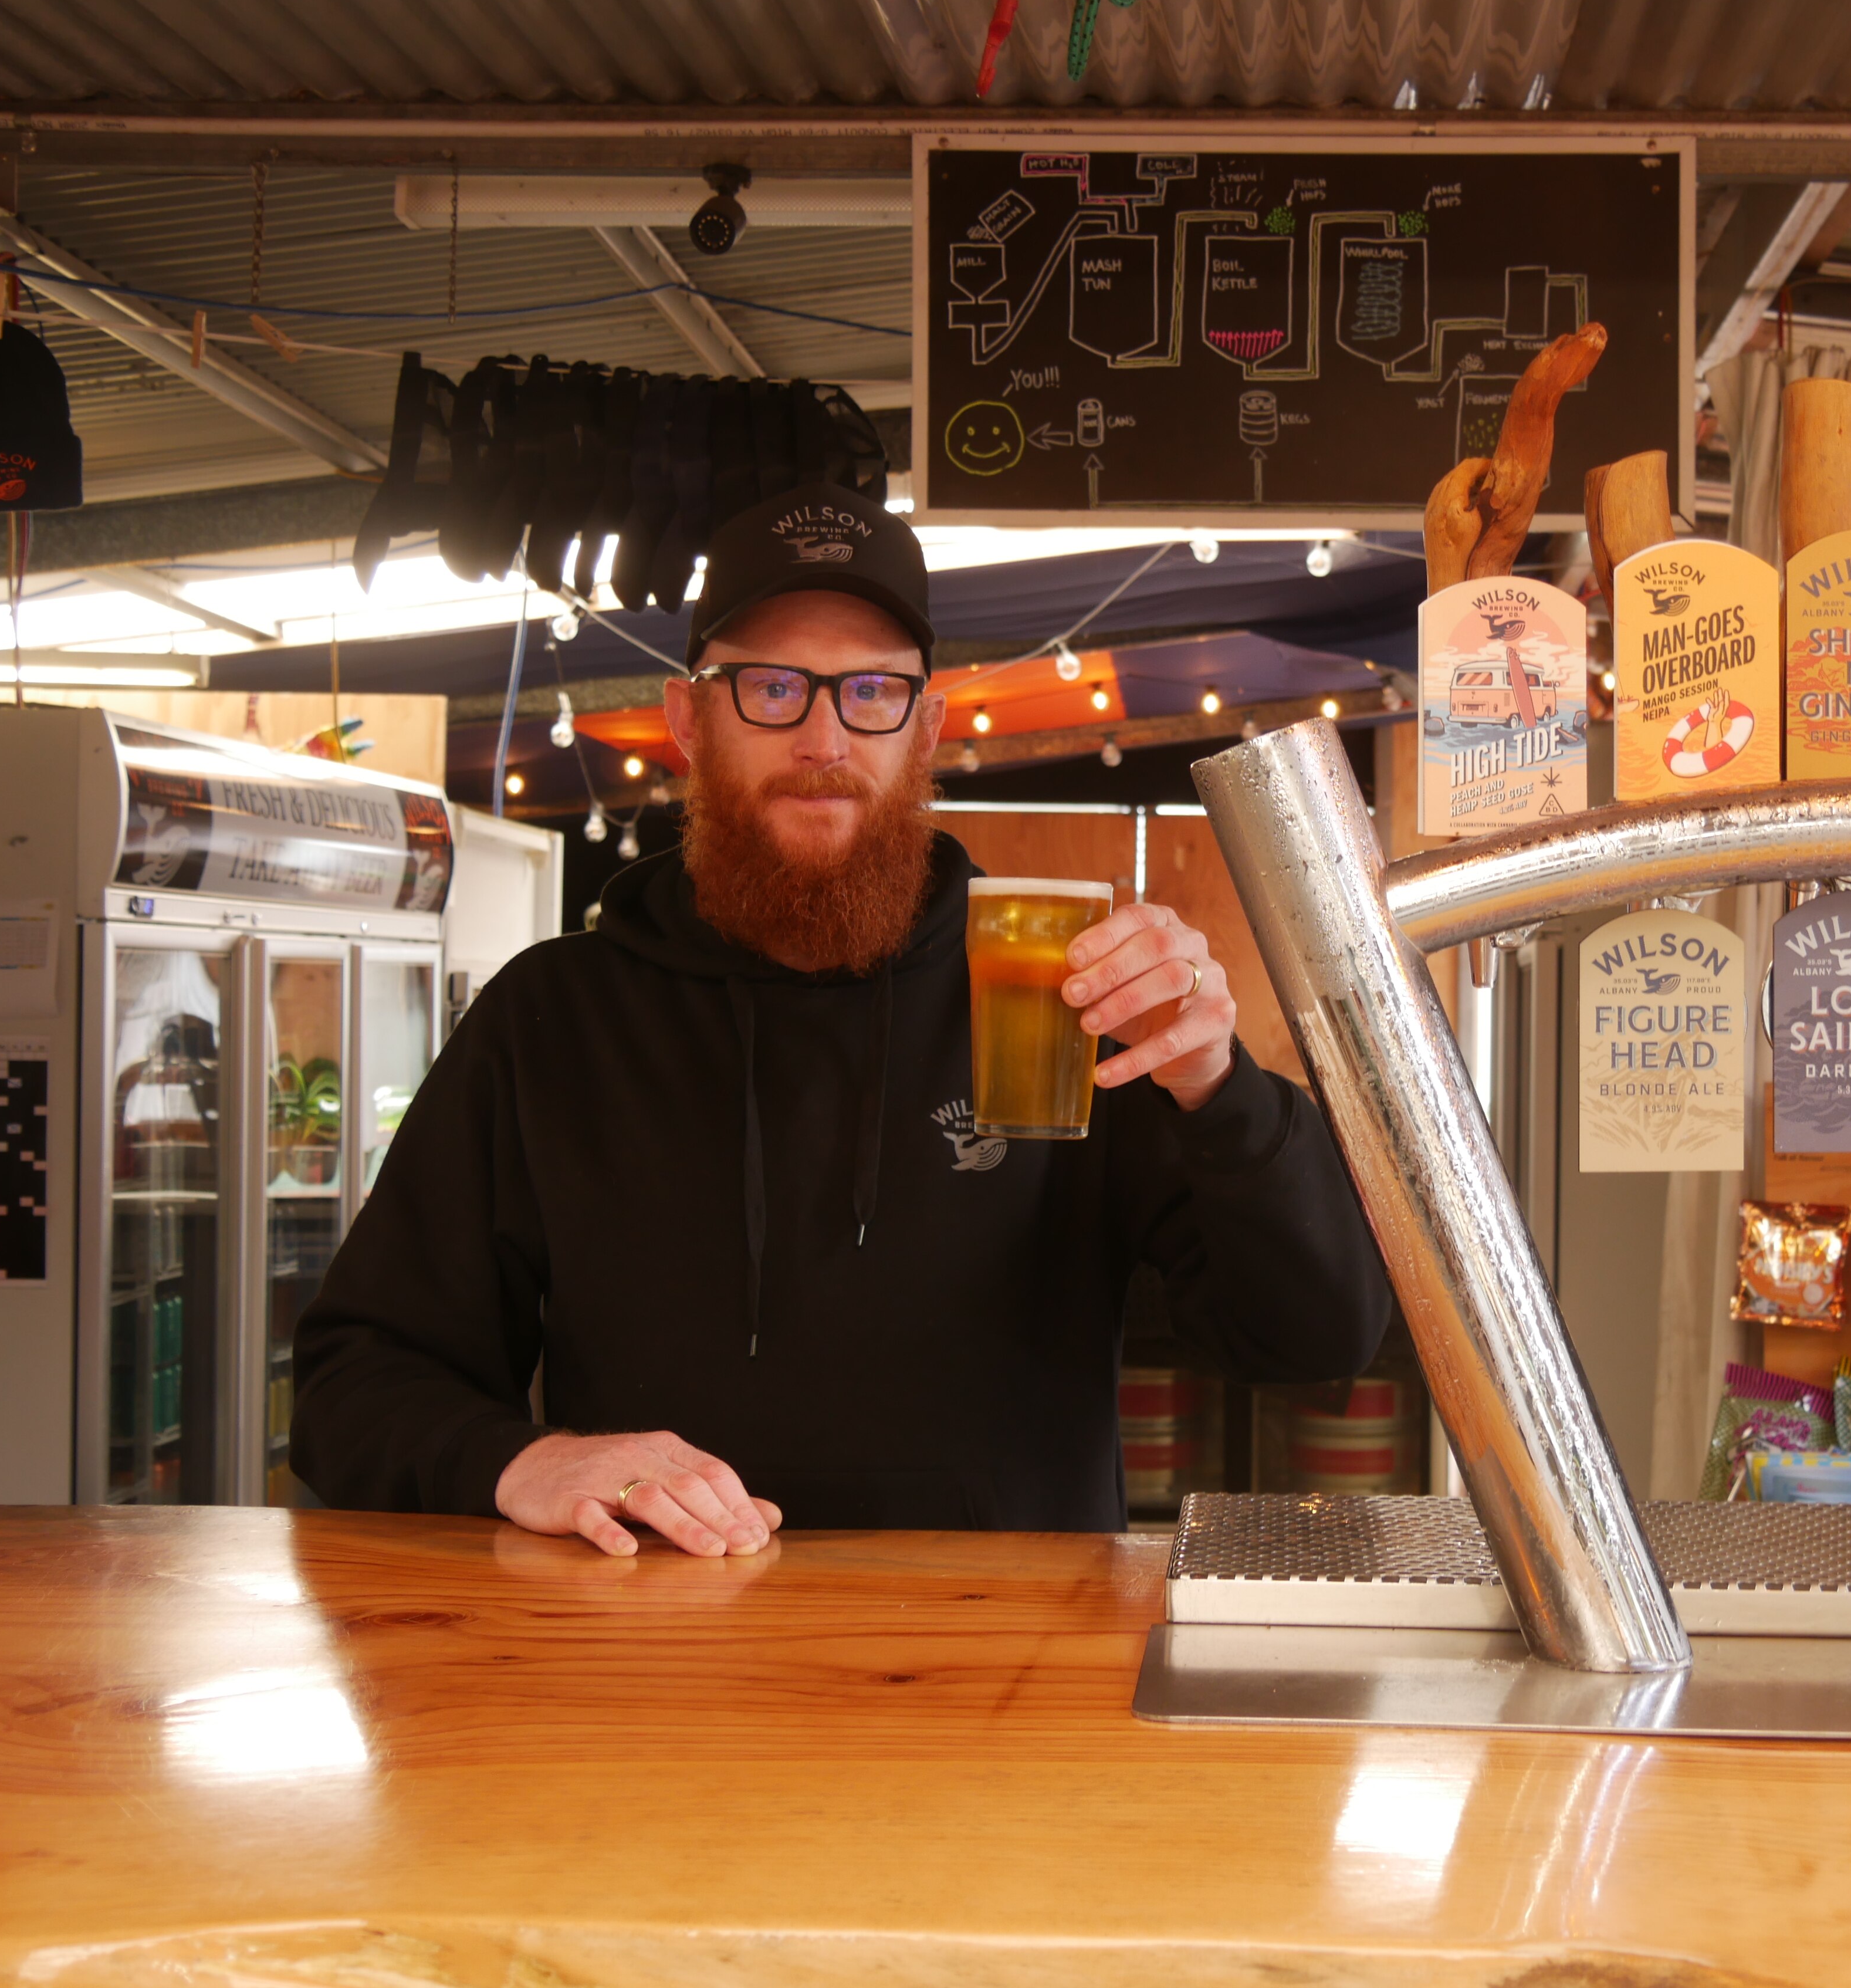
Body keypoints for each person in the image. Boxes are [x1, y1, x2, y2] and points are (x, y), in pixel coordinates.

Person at [293, 484, 1396, 1557]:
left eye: (872, 691)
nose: (825, 739)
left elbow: (1316, 1341)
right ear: (688, 718)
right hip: (650, 1677)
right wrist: (519, 1463)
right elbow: (354, 1386)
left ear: (926, 727)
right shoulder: (551, 1022)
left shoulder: (1057, 996)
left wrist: (1221, 1090)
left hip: (1010, 1688)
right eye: (772, 687)